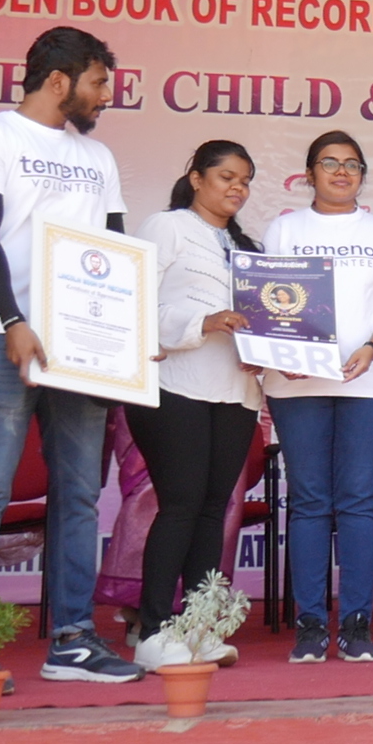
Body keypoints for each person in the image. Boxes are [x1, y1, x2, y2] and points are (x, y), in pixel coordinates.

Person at [0, 26, 142, 687]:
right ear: (58, 81)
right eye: (98, 82)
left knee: (80, 494)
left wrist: (121, 349)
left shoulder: (100, 157)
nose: (107, 96)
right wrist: (12, 318)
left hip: (80, 347)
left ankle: (73, 641)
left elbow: (113, 256)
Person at [265, 131, 373, 663]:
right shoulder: (284, 228)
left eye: (352, 164)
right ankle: (309, 624)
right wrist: (281, 352)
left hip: (368, 382)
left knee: (357, 501)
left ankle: (355, 623)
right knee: (308, 501)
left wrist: (372, 347)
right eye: (330, 163)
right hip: (295, 382)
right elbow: (268, 300)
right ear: (310, 173)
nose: (342, 172)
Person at [127, 141, 264, 670]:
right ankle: (155, 629)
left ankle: (200, 624)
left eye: (245, 180)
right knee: (181, 505)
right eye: (226, 176)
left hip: (236, 391)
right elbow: (135, 302)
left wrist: (267, 349)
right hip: (174, 385)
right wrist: (202, 323)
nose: (236, 188)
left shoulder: (244, 247)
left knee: (214, 510)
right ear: (196, 177)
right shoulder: (166, 227)